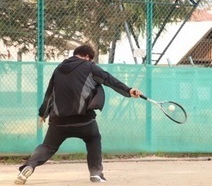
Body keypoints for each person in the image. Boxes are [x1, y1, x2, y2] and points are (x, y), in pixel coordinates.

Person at [14, 44, 142, 185]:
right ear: (87, 56)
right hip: (84, 120)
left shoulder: (59, 69)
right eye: (91, 59)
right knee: (93, 138)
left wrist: (43, 113)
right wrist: (128, 90)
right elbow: (109, 80)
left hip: (58, 121)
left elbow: (49, 94)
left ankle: (28, 167)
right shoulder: (90, 67)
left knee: (47, 146)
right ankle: (96, 173)